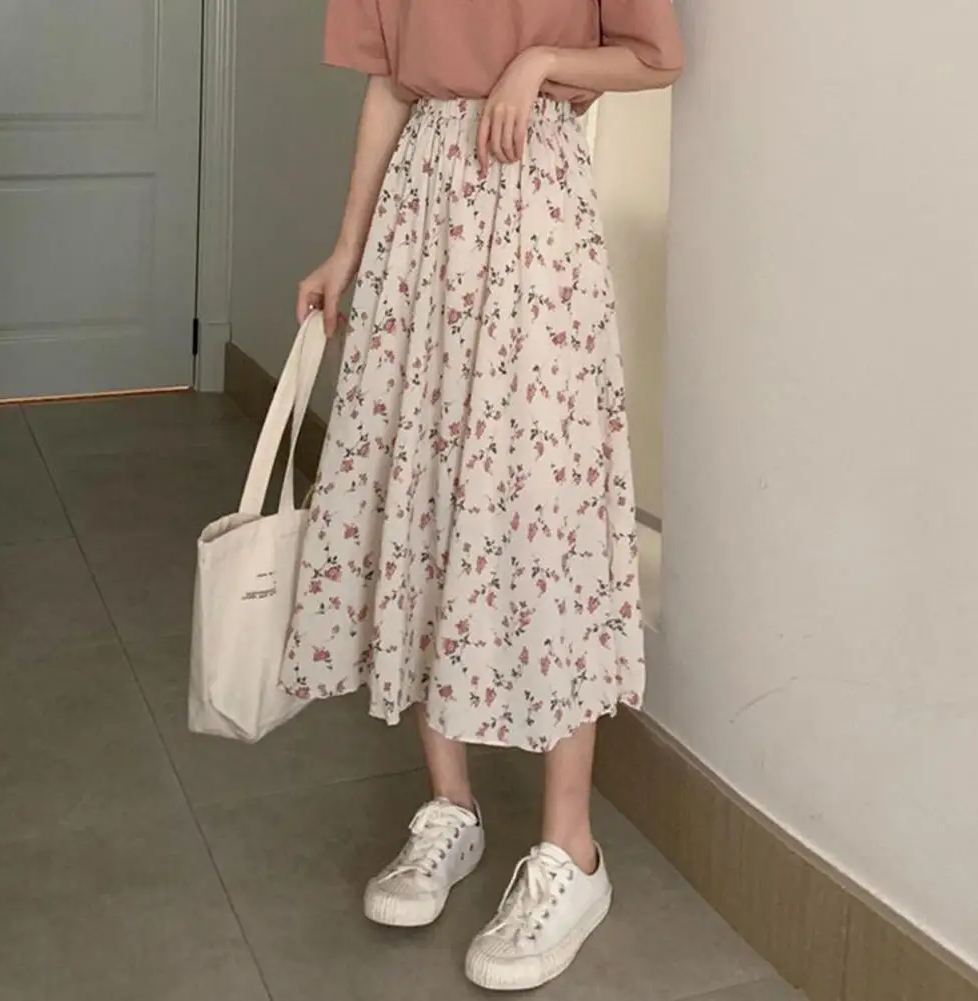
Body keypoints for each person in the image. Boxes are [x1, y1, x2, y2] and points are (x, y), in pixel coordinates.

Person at [286, 0, 683, 990]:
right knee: (422, 496)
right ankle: (449, 807)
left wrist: (539, 60)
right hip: (420, 216)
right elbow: (389, 83)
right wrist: (346, 247)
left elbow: (654, 57)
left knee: (548, 513)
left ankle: (570, 851)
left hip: (535, 204)